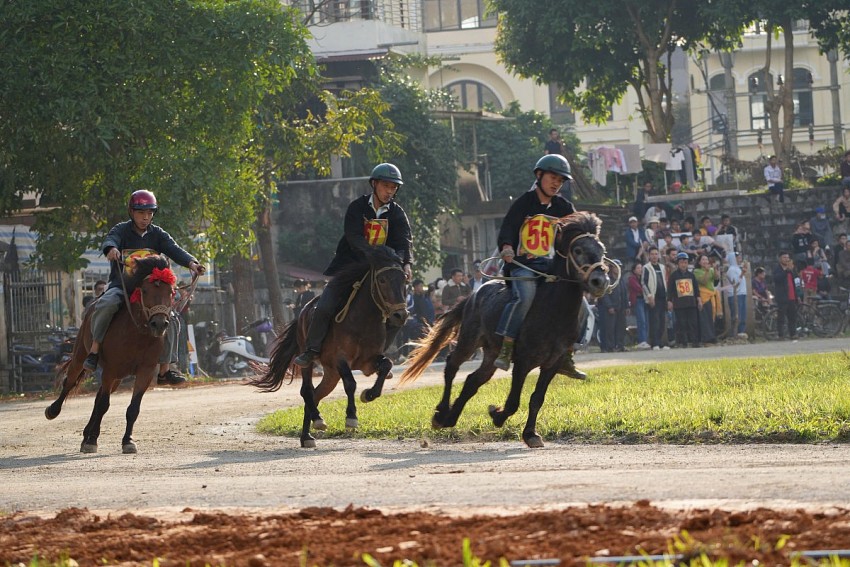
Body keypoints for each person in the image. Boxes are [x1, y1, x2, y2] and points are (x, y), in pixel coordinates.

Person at [293, 163, 413, 368]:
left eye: (393, 188)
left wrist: (406, 263)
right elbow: (354, 237)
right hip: (352, 267)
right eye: (386, 186)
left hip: (383, 271)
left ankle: (379, 354)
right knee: (325, 306)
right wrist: (375, 254)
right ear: (374, 184)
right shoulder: (357, 207)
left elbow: (404, 241)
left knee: (400, 313)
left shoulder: (397, 213)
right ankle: (312, 349)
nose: (389, 191)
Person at [82, 190, 206, 386]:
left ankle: (165, 370)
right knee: (106, 304)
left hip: (149, 291)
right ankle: (94, 350)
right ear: (132, 212)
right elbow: (110, 240)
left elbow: (174, 250)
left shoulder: (158, 234)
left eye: (149, 213)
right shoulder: (121, 230)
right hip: (122, 286)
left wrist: (192, 263)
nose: (145, 217)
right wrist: (111, 249)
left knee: (172, 319)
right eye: (141, 213)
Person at [494, 154, 580, 377]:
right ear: (539, 175)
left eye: (560, 180)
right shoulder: (523, 203)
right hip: (524, 265)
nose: (556, 183)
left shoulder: (564, 207)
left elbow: (578, 232)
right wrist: (507, 247)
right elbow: (507, 229)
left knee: (580, 303)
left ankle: (567, 354)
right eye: (553, 178)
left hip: (552, 268)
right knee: (525, 297)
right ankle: (506, 346)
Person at [667, 252, 702, 348]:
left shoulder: (691, 275)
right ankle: (683, 342)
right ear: (678, 264)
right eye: (681, 262)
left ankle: (695, 341)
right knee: (681, 324)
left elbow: (696, 289)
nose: (683, 265)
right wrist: (669, 301)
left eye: (685, 262)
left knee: (693, 323)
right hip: (679, 304)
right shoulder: (673, 276)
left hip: (691, 303)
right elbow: (670, 290)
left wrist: (699, 300)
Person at [596, 260, 628, 352]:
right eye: (616, 266)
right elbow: (604, 294)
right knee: (608, 328)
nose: (618, 268)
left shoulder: (621, 280)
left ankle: (620, 345)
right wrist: (609, 306)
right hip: (609, 308)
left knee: (621, 327)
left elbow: (624, 293)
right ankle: (608, 347)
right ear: (611, 268)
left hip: (620, 308)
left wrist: (626, 306)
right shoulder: (607, 279)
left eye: (619, 266)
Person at [641, 246, 669, 350]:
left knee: (662, 321)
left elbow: (665, 281)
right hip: (653, 298)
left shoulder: (662, 267)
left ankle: (661, 342)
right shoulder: (646, 267)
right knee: (654, 321)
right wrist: (649, 296)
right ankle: (655, 343)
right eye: (652, 254)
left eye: (656, 254)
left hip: (663, 298)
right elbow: (643, 283)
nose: (654, 256)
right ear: (649, 256)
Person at [773, 252, 799, 341]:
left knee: (792, 317)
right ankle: (780, 334)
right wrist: (786, 271)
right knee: (781, 317)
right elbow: (777, 279)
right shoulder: (777, 269)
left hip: (792, 296)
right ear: (780, 259)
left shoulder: (791, 269)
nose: (786, 259)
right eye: (784, 257)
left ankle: (793, 334)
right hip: (782, 297)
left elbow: (794, 282)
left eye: (787, 257)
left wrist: (797, 295)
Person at [693, 254, 717, 344]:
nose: (705, 261)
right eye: (703, 260)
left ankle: (712, 336)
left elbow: (716, 278)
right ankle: (706, 337)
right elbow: (703, 281)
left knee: (711, 317)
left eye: (706, 259)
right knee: (704, 318)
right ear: (699, 262)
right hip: (703, 296)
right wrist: (707, 271)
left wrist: (715, 269)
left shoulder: (711, 270)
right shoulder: (696, 271)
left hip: (711, 295)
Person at [725, 253, 749, 339]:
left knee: (742, 315)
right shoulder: (731, 270)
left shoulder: (738, 268)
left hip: (741, 294)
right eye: (737, 258)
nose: (740, 259)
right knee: (737, 315)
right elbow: (735, 283)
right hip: (735, 295)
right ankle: (735, 333)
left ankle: (741, 332)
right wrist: (742, 273)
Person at [627, 263, 650, 350]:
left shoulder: (643, 278)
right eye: (638, 268)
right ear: (634, 270)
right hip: (638, 300)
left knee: (646, 321)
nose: (640, 270)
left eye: (641, 268)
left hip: (645, 300)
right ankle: (642, 341)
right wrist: (647, 291)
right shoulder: (631, 279)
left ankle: (645, 340)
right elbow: (638, 288)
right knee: (641, 321)